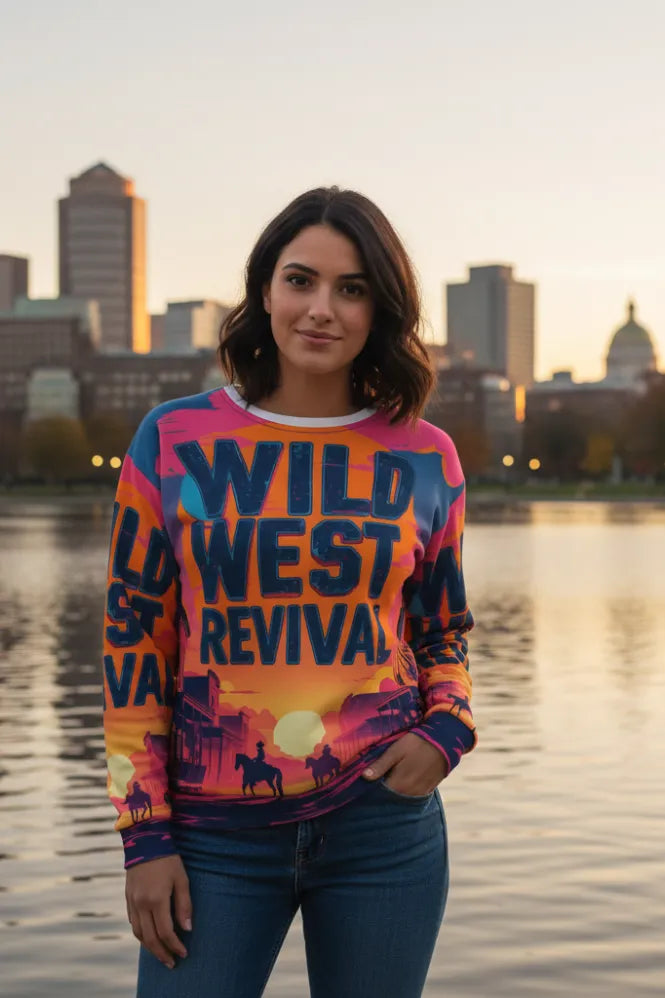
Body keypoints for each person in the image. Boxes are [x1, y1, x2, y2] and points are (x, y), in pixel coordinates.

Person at [102, 186, 476, 998]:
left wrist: (448, 725)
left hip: (383, 828)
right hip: (210, 839)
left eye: (352, 289)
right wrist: (143, 835)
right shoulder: (171, 439)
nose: (321, 310)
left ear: (382, 309)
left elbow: (441, 629)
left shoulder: (424, 455)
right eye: (299, 280)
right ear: (263, 290)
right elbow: (131, 640)